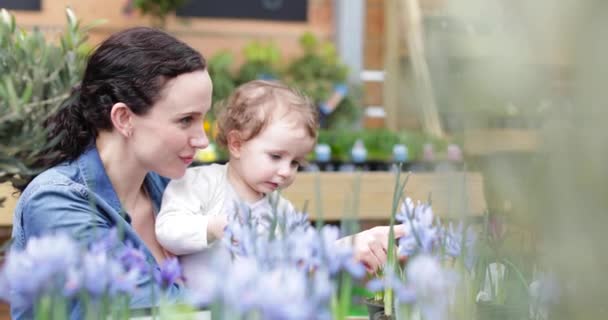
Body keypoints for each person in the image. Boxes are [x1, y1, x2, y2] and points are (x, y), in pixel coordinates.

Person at [10, 27, 211, 319]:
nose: (203, 140)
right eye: (186, 120)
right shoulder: (55, 201)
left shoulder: (170, 188)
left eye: (203, 120)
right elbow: (142, 305)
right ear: (123, 118)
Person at [155, 80, 406, 287]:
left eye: (296, 162)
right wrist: (213, 227)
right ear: (237, 144)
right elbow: (168, 231)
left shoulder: (282, 210)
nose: (286, 171)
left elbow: (303, 258)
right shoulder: (201, 183)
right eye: (275, 156)